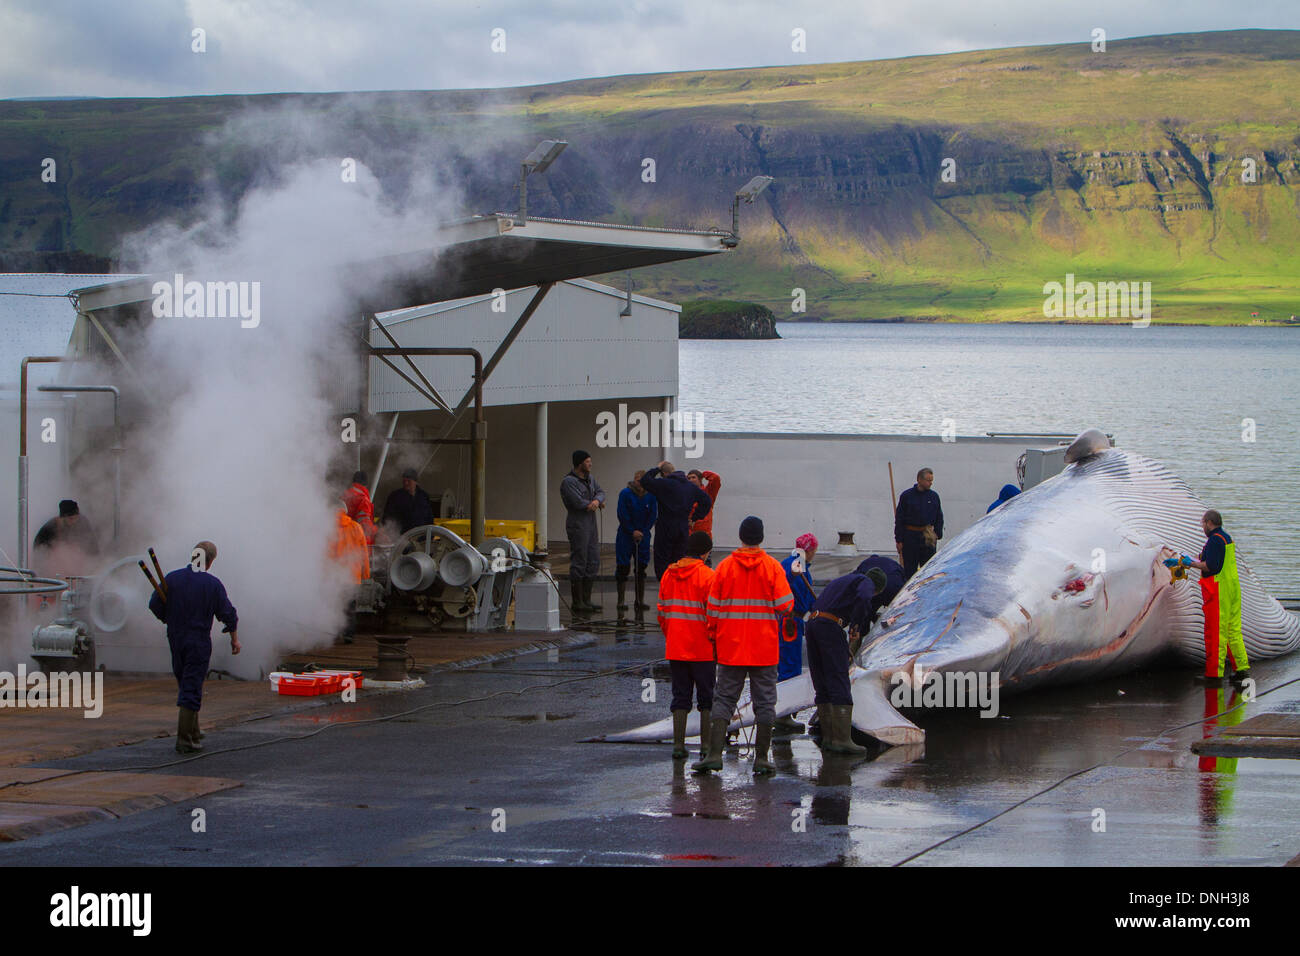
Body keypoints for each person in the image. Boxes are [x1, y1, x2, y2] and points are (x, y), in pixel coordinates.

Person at [692, 516, 794, 776]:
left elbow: (712, 609)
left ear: (741, 536)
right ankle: (762, 758)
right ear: (760, 537)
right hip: (764, 649)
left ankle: (714, 754)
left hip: (731, 648)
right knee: (765, 703)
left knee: (724, 698)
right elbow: (786, 605)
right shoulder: (772, 567)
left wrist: (713, 636)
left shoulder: (725, 568)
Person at [147, 541, 240, 754]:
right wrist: (234, 640)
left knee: (185, 682)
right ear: (210, 561)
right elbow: (229, 615)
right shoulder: (212, 584)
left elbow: (154, 604)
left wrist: (168, 618)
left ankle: (194, 730)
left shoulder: (172, 578)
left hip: (176, 637)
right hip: (198, 640)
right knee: (191, 685)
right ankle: (185, 739)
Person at [805, 566, 887, 755]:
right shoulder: (865, 582)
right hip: (829, 626)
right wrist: (856, 625)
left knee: (822, 680)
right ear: (878, 588)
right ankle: (842, 739)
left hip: (813, 624)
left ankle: (828, 739)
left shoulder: (842, 582)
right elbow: (865, 597)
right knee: (839, 677)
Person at [657, 531, 716, 760]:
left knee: (680, 696)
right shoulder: (708, 577)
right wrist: (715, 641)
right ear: (705, 552)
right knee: (706, 698)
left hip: (677, 647)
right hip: (702, 649)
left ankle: (679, 746)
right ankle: (706, 746)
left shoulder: (669, 575)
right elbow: (714, 615)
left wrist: (672, 636)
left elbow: (662, 612)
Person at [1187, 510, 1250, 685]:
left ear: (1208, 522)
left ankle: (1214, 676)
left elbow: (1210, 566)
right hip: (1232, 590)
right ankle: (1242, 670)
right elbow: (1213, 559)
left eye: (1202, 524)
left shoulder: (1214, 540)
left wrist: (1189, 564)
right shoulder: (1226, 538)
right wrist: (1192, 558)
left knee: (1215, 632)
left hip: (1218, 591)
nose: (1202, 528)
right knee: (1233, 631)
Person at [641, 460, 713, 581]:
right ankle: (678, 587)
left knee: (662, 560)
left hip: (665, 526)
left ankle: (665, 585)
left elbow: (645, 481)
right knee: (680, 559)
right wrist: (694, 517)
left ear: (664, 473)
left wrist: (657, 468)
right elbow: (707, 501)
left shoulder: (663, 483)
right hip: (682, 527)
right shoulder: (690, 487)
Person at [776, 532, 819, 734]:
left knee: (790, 664)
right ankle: (783, 714)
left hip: (795, 619)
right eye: (814, 551)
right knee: (789, 666)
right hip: (789, 620)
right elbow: (790, 585)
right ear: (808, 550)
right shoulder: (795, 567)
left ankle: (785, 712)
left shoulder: (799, 566)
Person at [559, 450, 605, 613]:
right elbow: (576, 502)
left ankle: (587, 600)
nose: (590, 464)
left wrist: (597, 500)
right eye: (587, 461)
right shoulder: (569, 482)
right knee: (580, 560)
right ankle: (577, 602)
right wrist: (592, 504)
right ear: (579, 464)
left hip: (591, 524)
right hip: (578, 524)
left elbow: (601, 492)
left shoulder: (590, 479)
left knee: (593, 560)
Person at [615, 470, 657, 614]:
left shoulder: (651, 496)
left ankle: (639, 600)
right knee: (623, 566)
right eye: (637, 480)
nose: (638, 483)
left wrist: (643, 532)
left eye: (641, 480)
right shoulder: (625, 493)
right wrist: (632, 530)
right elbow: (622, 513)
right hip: (626, 535)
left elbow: (652, 515)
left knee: (641, 567)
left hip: (643, 536)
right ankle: (620, 601)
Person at [330, 505, 371, 644]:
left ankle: (333, 633)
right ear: (346, 511)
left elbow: (326, 554)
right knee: (350, 606)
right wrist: (366, 573)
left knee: (335, 605)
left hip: (335, 575)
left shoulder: (329, 529)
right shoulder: (356, 527)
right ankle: (349, 634)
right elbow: (363, 553)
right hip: (353, 575)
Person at [894, 467, 943, 581]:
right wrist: (899, 539)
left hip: (927, 536)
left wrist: (937, 534)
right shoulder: (907, 496)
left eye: (931, 480)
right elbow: (899, 519)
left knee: (928, 569)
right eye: (928, 480)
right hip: (910, 536)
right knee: (910, 570)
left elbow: (939, 516)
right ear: (919, 480)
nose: (930, 483)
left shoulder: (934, 496)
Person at [32, 498, 100, 575]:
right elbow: (39, 551)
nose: (74, 521)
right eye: (70, 518)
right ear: (62, 518)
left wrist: (94, 564)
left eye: (76, 518)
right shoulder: (49, 529)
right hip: (56, 569)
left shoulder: (83, 523)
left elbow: (93, 547)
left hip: (78, 567)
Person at [854, 554, 905, 626]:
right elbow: (904, 578)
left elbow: (856, 578)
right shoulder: (891, 562)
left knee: (867, 612)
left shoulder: (865, 563)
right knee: (896, 612)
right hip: (894, 588)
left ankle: (863, 632)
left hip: (874, 590)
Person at [382, 467, 435, 535]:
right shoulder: (395, 496)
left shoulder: (424, 496)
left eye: (409, 481)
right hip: (401, 537)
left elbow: (429, 517)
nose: (406, 483)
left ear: (416, 482)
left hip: (422, 537)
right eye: (404, 481)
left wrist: (431, 534)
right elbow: (387, 518)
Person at [343, 470, 378, 544]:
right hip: (358, 542)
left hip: (343, 540)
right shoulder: (363, 500)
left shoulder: (343, 496)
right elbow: (365, 524)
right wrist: (377, 531)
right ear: (366, 484)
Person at [686, 469, 722, 537]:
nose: (691, 480)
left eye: (693, 477)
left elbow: (716, 478)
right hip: (688, 535)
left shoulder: (708, 492)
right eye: (689, 478)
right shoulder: (685, 494)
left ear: (700, 479)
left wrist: (703, 473)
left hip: (704, 535)